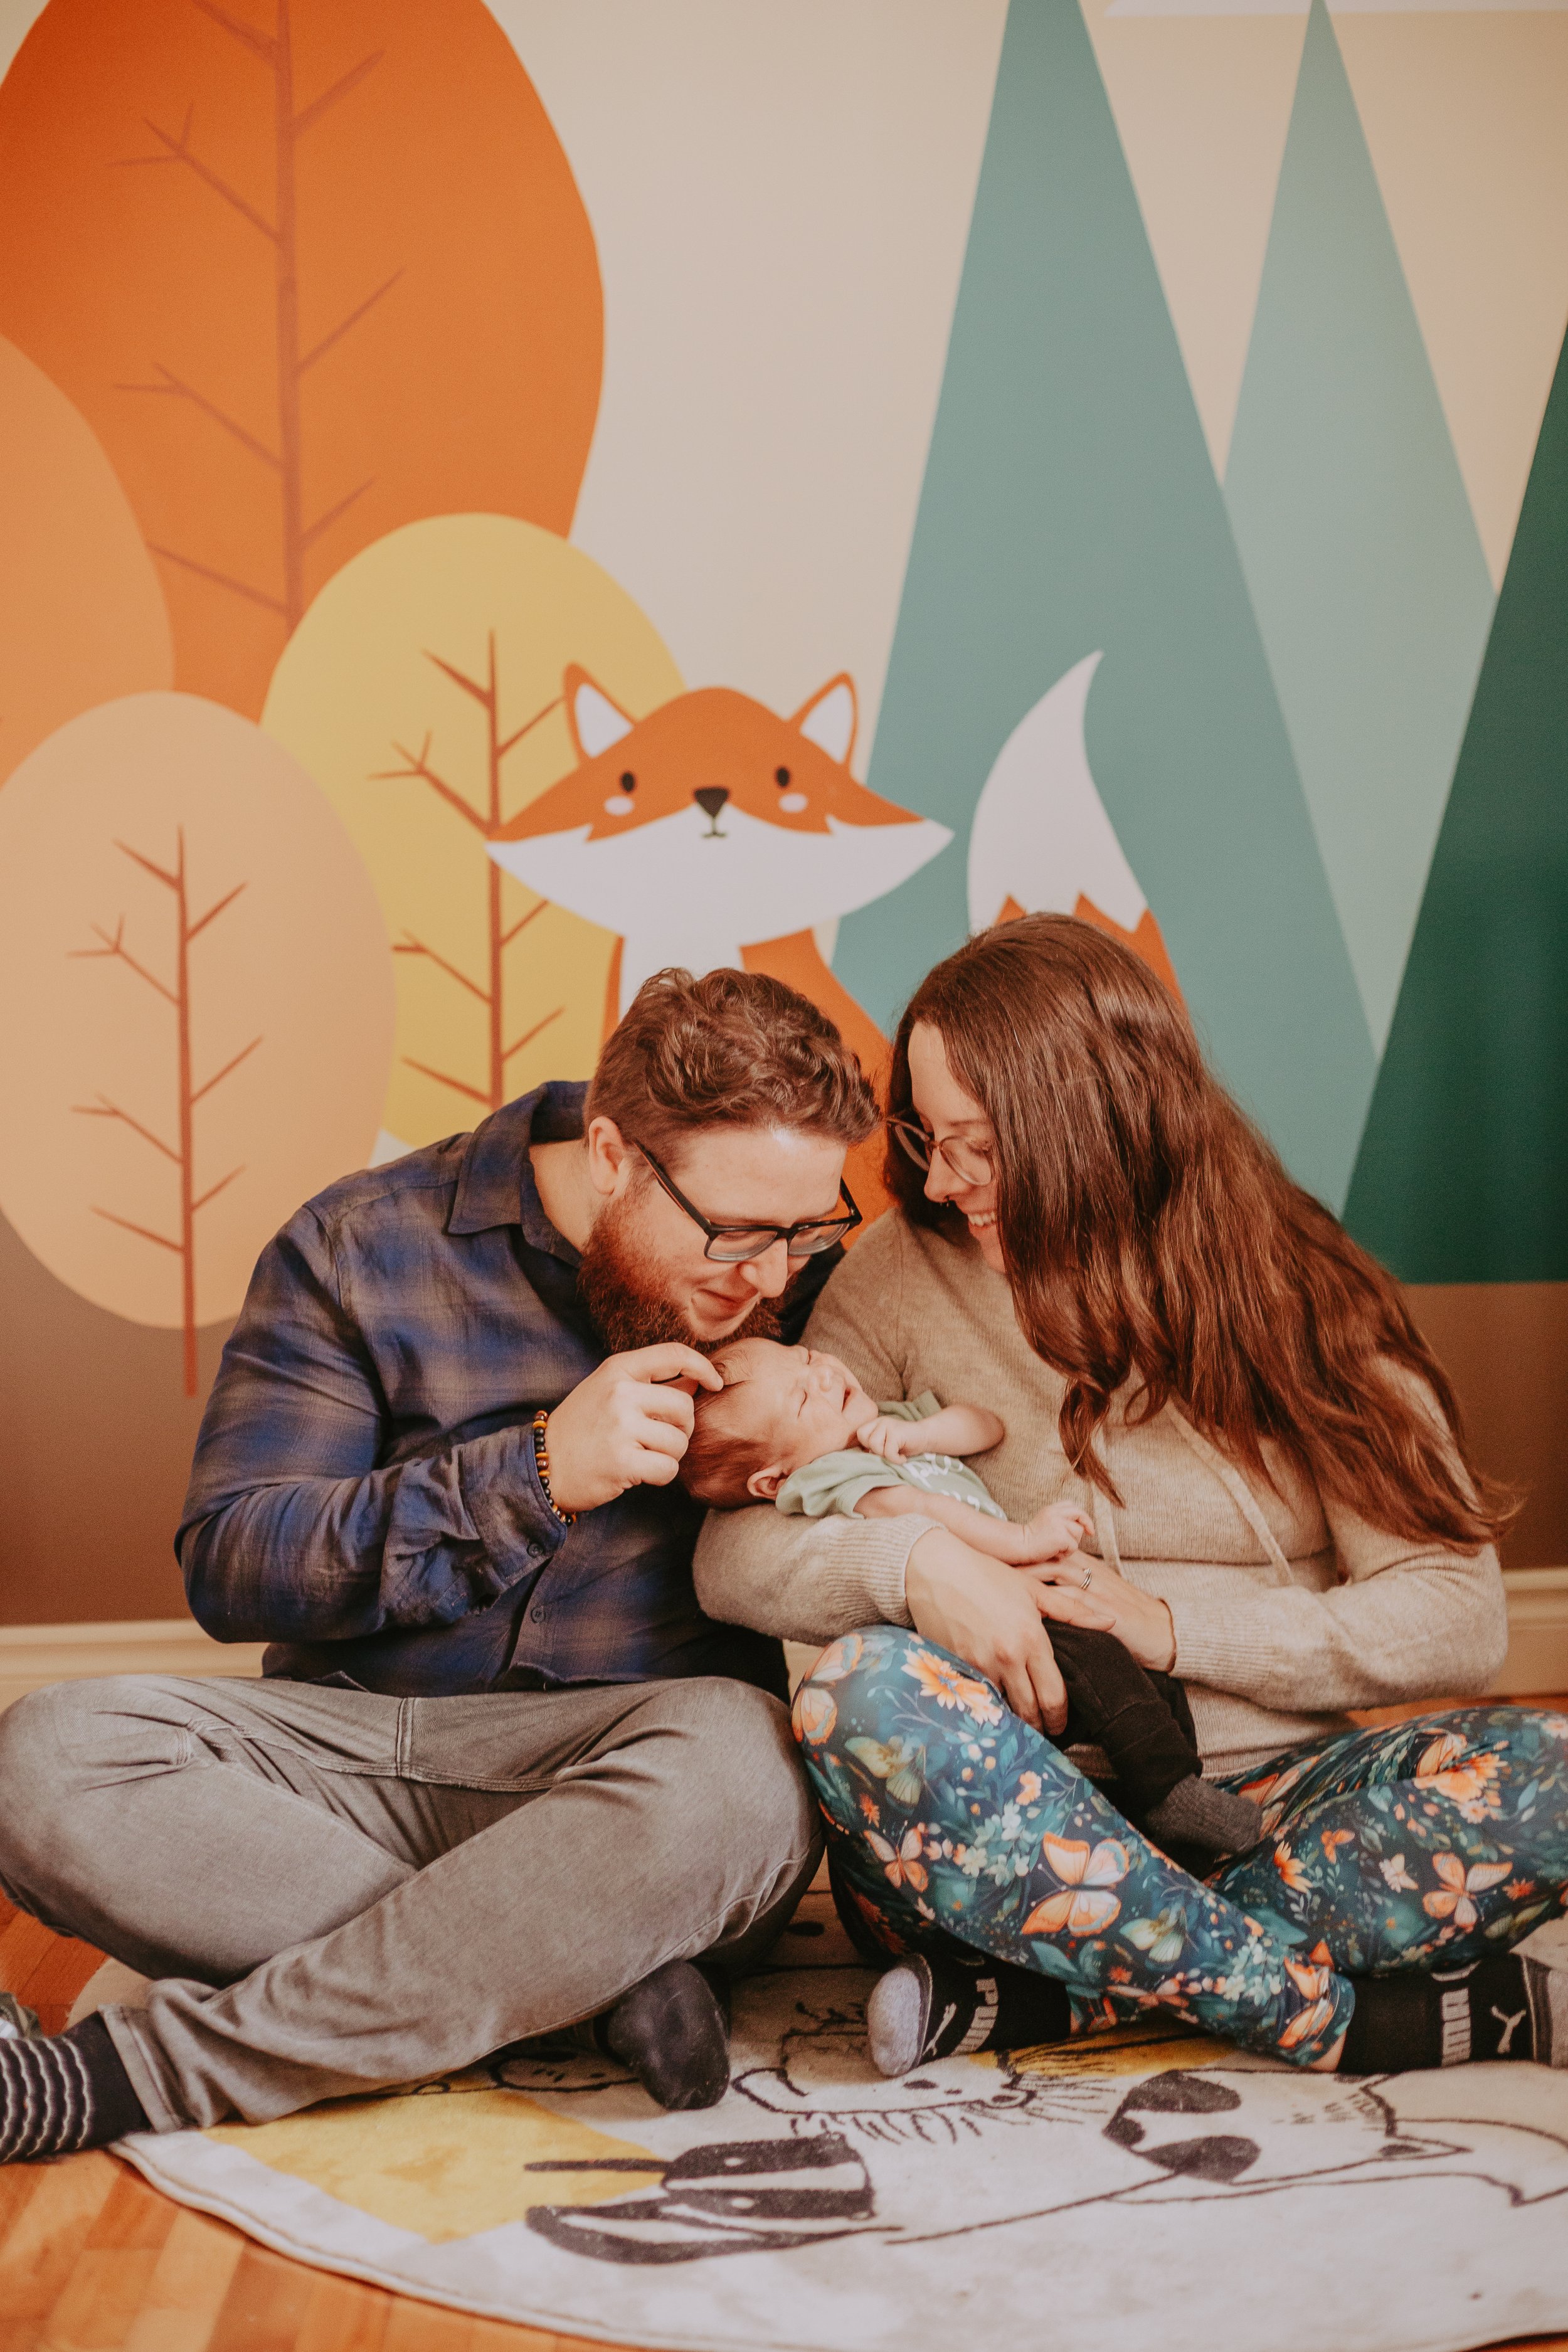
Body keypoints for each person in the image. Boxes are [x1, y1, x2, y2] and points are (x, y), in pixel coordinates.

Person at [0, 968, 877, 2160]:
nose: (772, 1279)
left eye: (805, 1231)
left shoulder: (798, 1277)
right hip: (345, 1764)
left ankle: (134, 2075)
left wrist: (952, 1557)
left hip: (637, 1788)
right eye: (736, 1235)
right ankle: (584, 1979)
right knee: (45, 1758)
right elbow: (234, 1561)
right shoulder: (359, 1244)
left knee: (750, 1764)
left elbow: (920, 1461)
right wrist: (533, 1472)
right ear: (612, 1155)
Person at [694, 916, 1568, 2081]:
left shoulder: (1298, 1290)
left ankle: (1064, 1997)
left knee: (1554, 1776)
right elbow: (732, 1550)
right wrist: (918, 1566)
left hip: (1272, 1807)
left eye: (978, 1145)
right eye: (927, 1139)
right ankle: (1330, 2014)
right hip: (1010, 1819)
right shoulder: (904, 1272)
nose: (942, 1180)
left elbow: (1457, 1613)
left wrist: (1171, 1626)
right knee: (863, 1692)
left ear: (1088, 1124)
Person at [681, 1335, 1261, 1862]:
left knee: (1147, 1684)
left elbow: (986, 1426)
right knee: (1103, 1667)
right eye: (804, 1398)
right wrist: (1024, 1539)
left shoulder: (884, 1424)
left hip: (1029, 1597)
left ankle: (1171, 1811)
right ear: (775, 1480)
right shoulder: (827, 1475)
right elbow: (921, 1509)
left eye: (807, 1358)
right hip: (992, 1626)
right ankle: (1168, 1795)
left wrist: (920, 1434)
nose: (825, 1375)